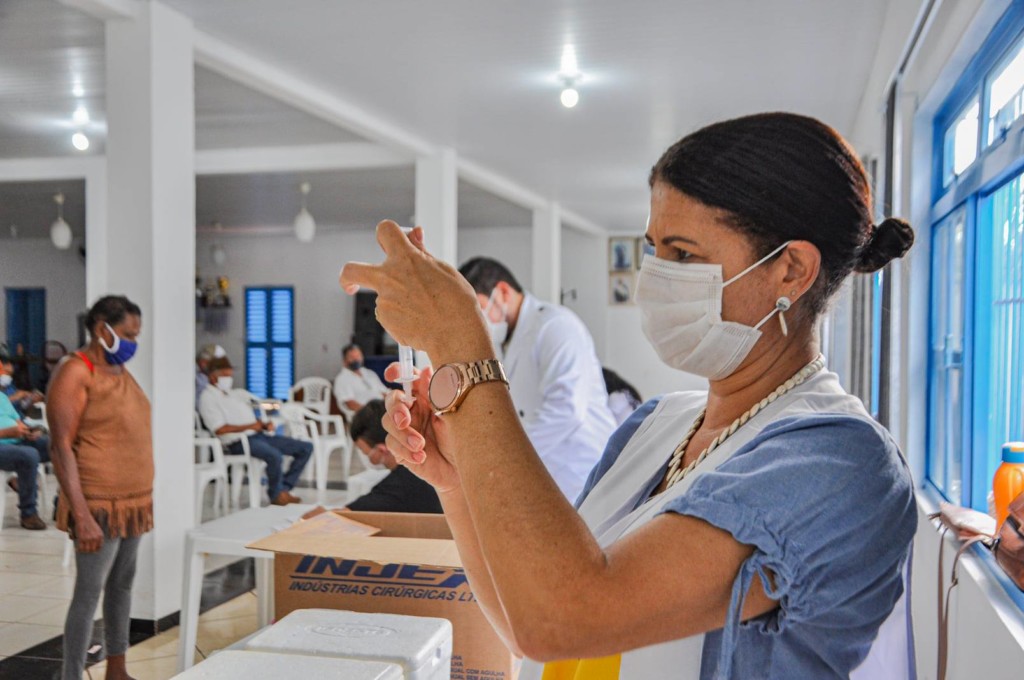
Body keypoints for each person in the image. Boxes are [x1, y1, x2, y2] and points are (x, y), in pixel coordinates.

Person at [342, 113, 919, 679]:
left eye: (684, 254)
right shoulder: (658, 423)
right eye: (653, 249)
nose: (655, 278)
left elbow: (564, 618)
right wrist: (457, 480)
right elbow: (526, 617)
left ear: (790, 270)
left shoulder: (840, 463)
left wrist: (463, 347)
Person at [48, 295, 153, 680]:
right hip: (98, 503)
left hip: (133, 501)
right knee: (89, 592)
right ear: (100, 329)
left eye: (136, 335)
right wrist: (81, 514)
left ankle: (117, 669)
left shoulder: (119, 370)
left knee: (122, 586)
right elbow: (60, 446)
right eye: (128, 334)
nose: (133, 342)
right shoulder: (76, 371)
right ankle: (71, 675)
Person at [457, 257, 616, 502]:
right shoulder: (505, 341)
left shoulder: (555, 326)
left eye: (480, 308)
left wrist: (503, 455)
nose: (478, 320)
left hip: (581, 471)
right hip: (547, 476)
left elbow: (567, 409)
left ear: (503, 292)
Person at [198, 356, 313, 506]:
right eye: (225, 375)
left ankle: (283, 489)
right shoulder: (207, 398)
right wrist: (251, 426)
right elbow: (219, 429)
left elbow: (252, 413)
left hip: (258, 435)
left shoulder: (234, 394)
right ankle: (276, 495)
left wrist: (263, 425)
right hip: (237, 442)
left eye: (230, 375)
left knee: (306, 448)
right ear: (213, 376)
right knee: (274, 456)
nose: (229, 379)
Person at [345, 400, 442, 514]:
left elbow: (346, 514)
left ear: (381, 450)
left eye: (364, 451)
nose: (366, 457)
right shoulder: (429, 464)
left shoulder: (399, 486)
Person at [0, 354, 49, 530]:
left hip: (17, 441)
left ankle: (64, 502)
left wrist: (30, 431)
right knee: (29, 455)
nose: (4, 375)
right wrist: (6, 433)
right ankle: (28, 513)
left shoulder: (2, 398)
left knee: (56, 445)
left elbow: (19, 422)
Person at [333, 343, 388, 420]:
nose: (356, 359)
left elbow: (384, 392)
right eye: (352, 357)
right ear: (344, 360)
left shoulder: (369, 373)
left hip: (383, 410)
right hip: (366, 416)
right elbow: (350, 403)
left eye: (358, 356)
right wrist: (371, 413)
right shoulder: (342, 379)